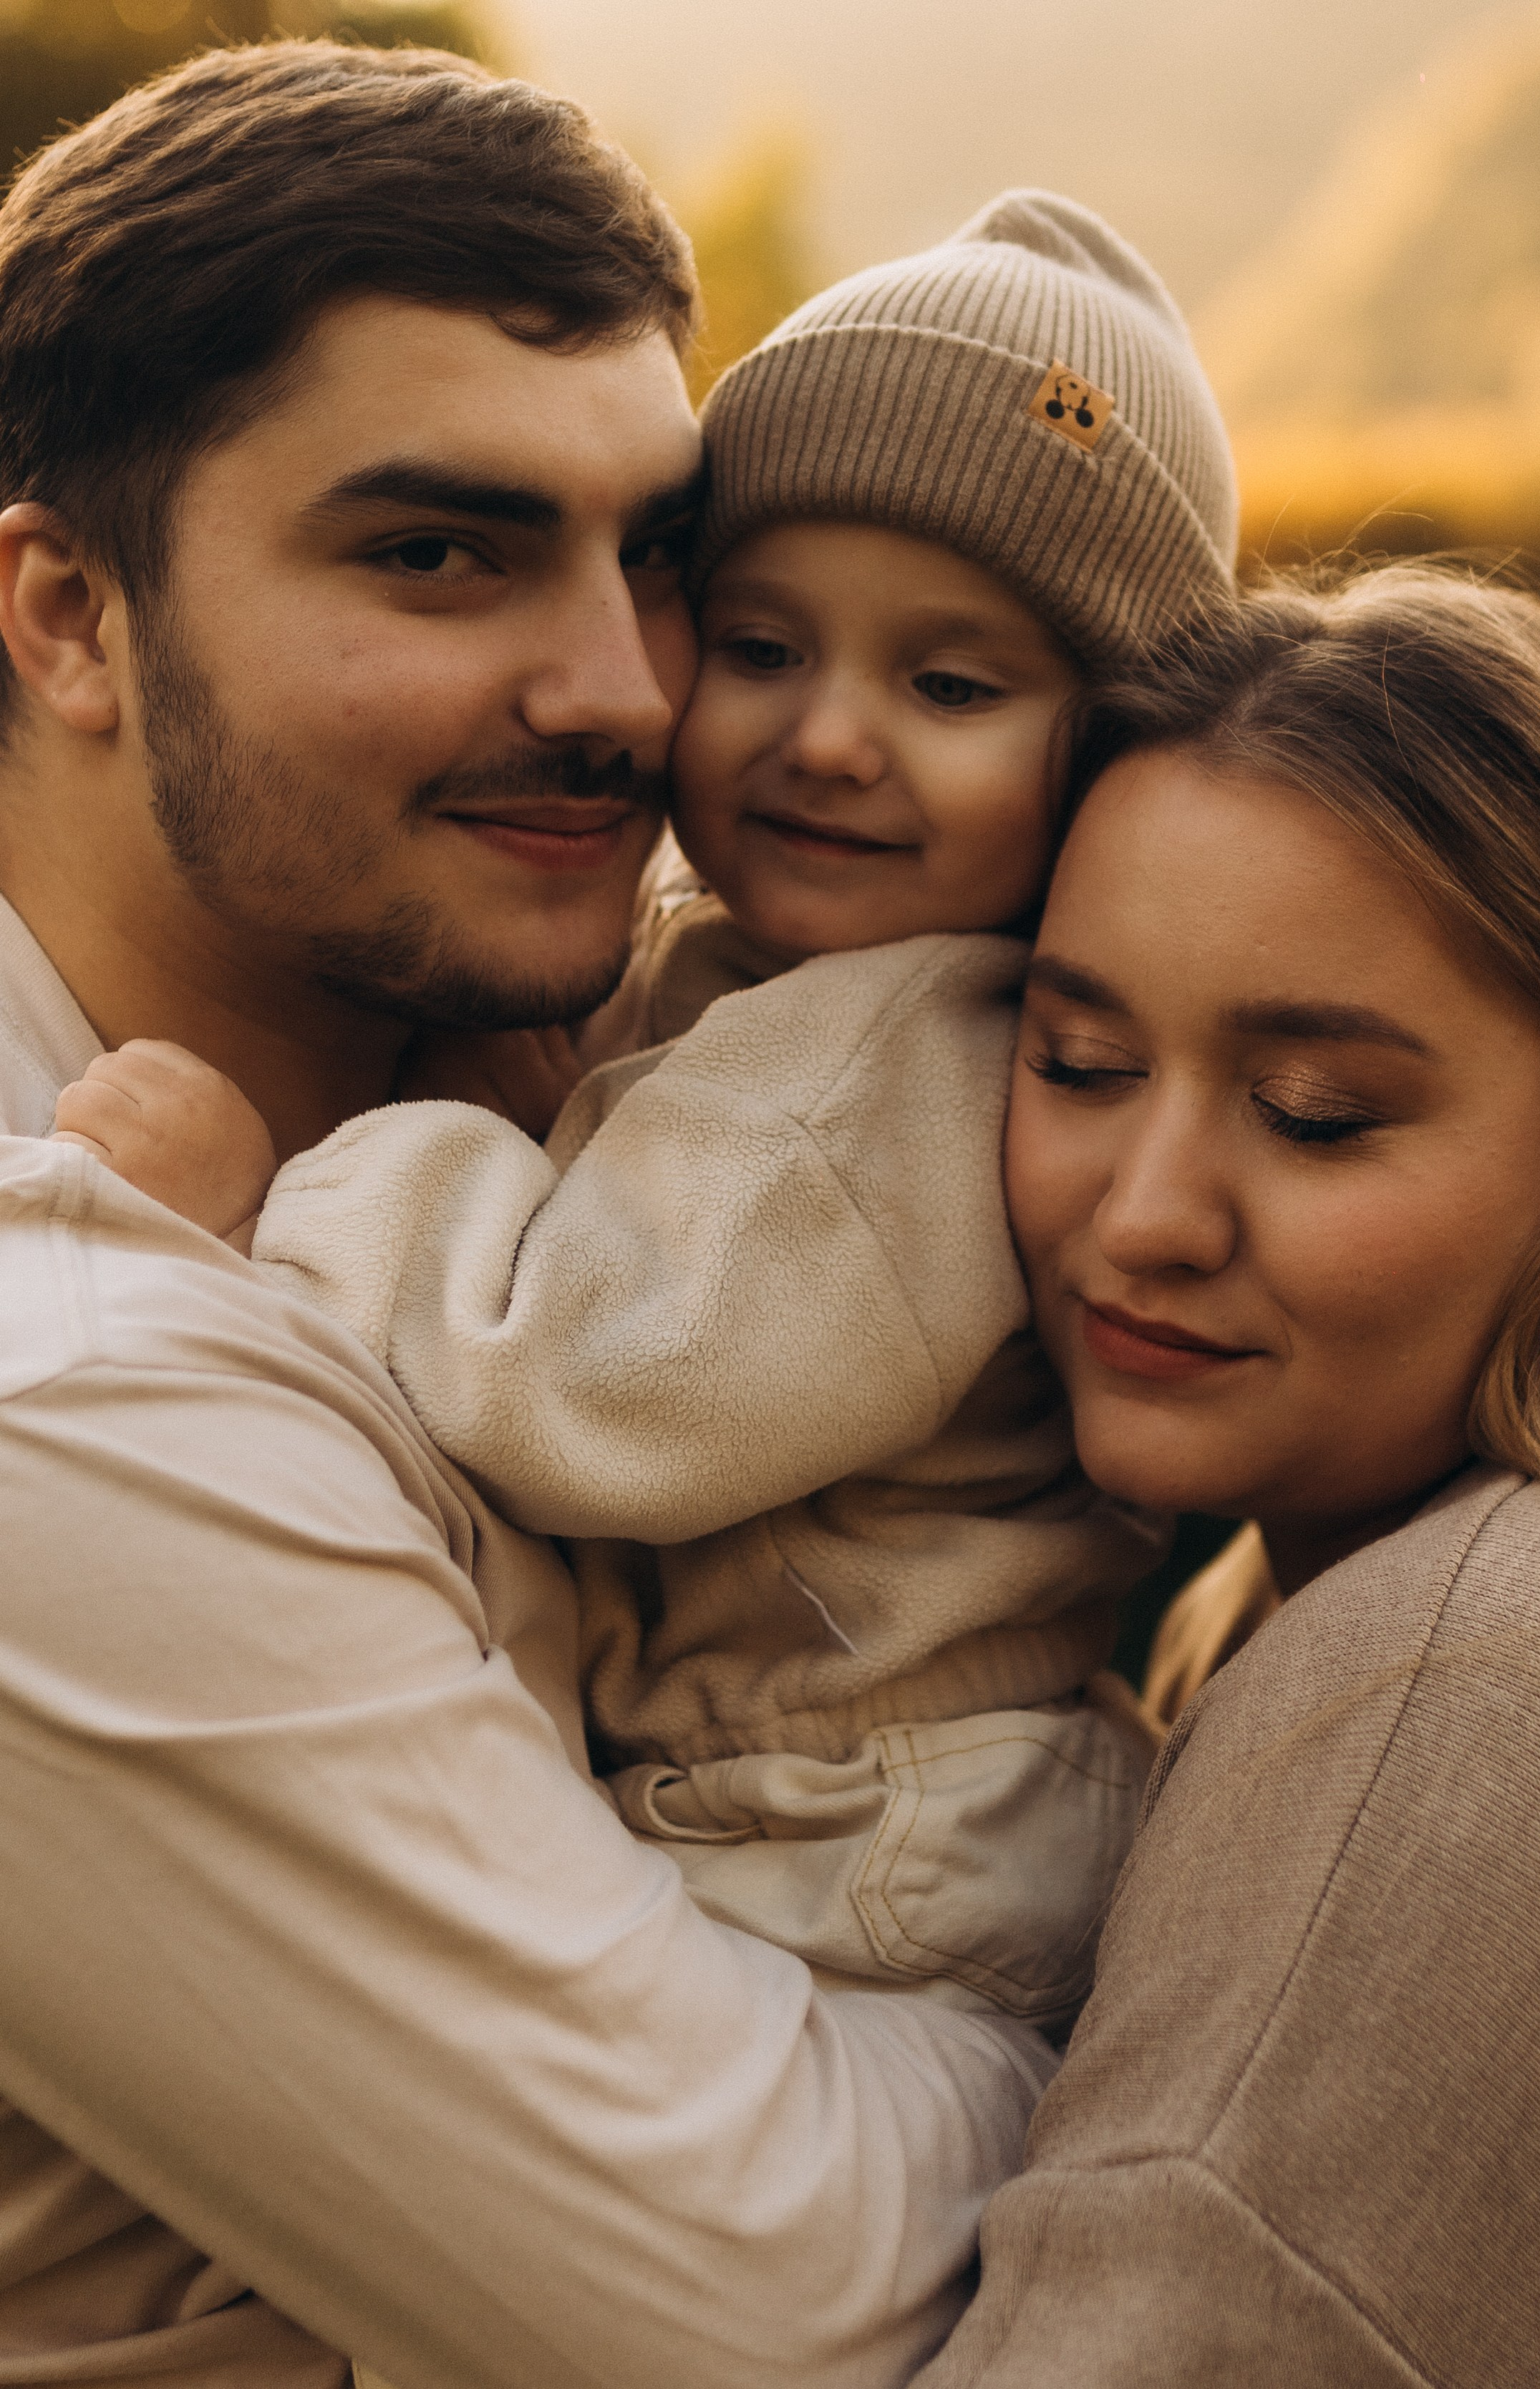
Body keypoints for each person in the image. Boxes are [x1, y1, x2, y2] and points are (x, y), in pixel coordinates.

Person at [0, 42, 1064, 2389]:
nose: (624, 692)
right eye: (436, 550)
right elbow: (776, 2306)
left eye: (662, 558)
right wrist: (1202, 1997)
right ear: (69, 615)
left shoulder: (652, 1066)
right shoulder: (53, 1393)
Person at [67, 193, 1238, 2031]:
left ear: (1110, 750)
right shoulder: (772, 978)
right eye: (763, 647)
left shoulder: (905, 1054)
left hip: (861, 1836)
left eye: (948, 685)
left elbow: (585, 1380)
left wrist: (280, 1185)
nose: (832, 738)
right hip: (836, 1786)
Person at [921, 560, 1540, 2386]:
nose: (1140, 1217)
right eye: (1077, 1061)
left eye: (1314, 1114)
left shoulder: (1470, 1661)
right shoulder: (1254, 1607)